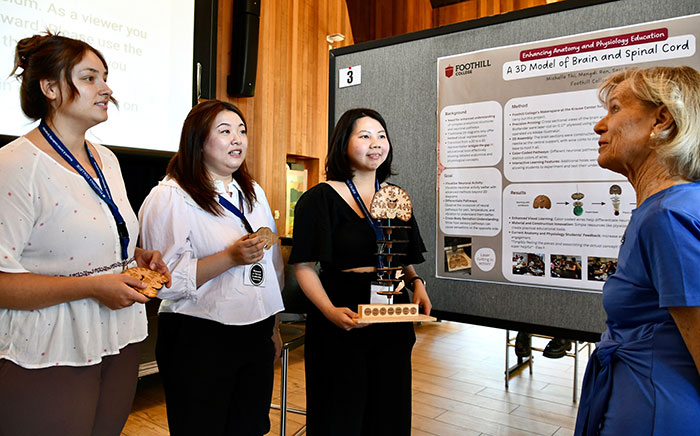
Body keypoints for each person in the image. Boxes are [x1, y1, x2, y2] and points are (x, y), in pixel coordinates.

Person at [0, 33, 170, 436]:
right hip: (52, 346)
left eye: (105, 77)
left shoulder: (106, 159)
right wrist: (94, 287)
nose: (107, 89)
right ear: (51, 88)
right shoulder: (16, 165)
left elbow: (91, 242)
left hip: (120, 335)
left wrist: (133, 258)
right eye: (91, 78)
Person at [138, 100, 285, 436]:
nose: (238, 139)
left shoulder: (252, 191)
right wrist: (229, 258)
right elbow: (161, 282)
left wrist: (273, 327)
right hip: (200, 337)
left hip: (256, 330)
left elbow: (271, 271)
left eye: (242, 131)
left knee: (249, 427)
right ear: (198, 141)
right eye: (225, 131)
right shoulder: (170, 197)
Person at [289, 108, 431, 435]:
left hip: (392, 308)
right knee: (340, 410)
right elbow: (304, 266)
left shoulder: (395, 197)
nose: (375, 143)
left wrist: (417, 282)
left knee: (389, 410)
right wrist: (327, 311)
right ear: (343, 143)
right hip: (341, 307)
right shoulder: (318, 199)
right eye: (364, 136)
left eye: (381, 136)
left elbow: (401, 255)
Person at [575, 66, 700, 435]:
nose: (600, 125)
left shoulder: (667, 217)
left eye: (615, 109)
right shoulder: (670, 207)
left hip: (659, 415)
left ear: (661, 119)